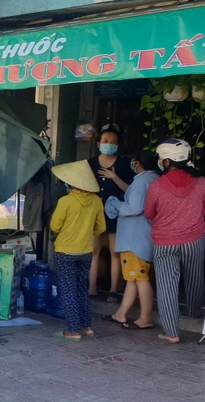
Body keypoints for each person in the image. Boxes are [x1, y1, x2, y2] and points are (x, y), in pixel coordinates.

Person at [145, 139, 205, 344]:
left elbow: (149, 212)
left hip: (165, 242)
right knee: (194, 277)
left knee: (167, 286)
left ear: (167, 161)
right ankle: (194, 315)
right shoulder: (201, 181)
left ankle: (171, 332)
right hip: (195, 239)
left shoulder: (156, 186)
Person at [50, 160, 106, 340]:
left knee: (68, 290)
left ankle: (73, 330)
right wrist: (85, 233)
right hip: (85, 251)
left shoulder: (65, 201)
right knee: (82, 288)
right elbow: (101, 228)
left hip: (65, 251)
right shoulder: (96, 201)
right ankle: (86, 326)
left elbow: (55, 226)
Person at [104, 151, 159, 330]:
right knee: (133, 278)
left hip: (134, 239)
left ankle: (145, 318)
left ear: (137, 163)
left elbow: (134, 207)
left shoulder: (142, 181)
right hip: (142, 237)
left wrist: (114, 204)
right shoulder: (152, 179)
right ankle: (121, 314)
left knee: (140, 279)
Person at [87, 124, 133, 301]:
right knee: (94, 251)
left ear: (118, 145)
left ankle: (114, 290)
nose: (109, 144)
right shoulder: (90, 164)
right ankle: (91, 288)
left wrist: (114, 177)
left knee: (115, 252)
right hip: (94, 212)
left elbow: (130, 190)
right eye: (105, 141)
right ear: (98, 143)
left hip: (115, 213)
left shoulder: (123, 165)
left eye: (113, 142)